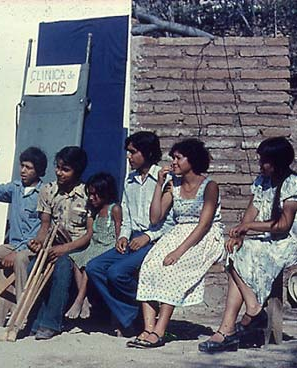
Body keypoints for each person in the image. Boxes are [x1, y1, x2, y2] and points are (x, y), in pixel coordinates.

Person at [199, 136, 297, 353]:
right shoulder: (262, 182)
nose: (261, 165)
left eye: (265, 161)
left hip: (287, 242)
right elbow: (250, 213)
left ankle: (237, 323)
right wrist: (239, 234)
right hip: (268, 240)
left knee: (245, 252)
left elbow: (283, 225)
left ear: (279, 162)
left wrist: (249, 227)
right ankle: (237, 322)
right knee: (235, 249)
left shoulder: (291, 183)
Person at [129, 138, 224, 348]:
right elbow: (155, 218)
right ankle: (147, 329)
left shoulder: (210, 186)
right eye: (173, 157)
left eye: (178, 158)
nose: (173, 162)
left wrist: (178, 252)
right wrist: (159, 185)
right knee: (150, 266)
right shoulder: (174, 185)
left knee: (174, 269)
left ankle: (160, 331)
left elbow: (204, 225)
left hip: (204, 235)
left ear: (193, 159)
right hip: (178, 232)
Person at [86, 131, 172, 335]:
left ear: (148, 153)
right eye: (128, 152)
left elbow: (172, 221)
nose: (128, 156)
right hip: (133, 239)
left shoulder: (164, 178)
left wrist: (148, 237)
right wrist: (123, 235)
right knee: (94, 267)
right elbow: (126, 214)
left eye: (133, 152)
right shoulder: (130, 179)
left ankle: (138, 312)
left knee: (117, 273)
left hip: (155, 241)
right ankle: (133, 312)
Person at [27, 146, 93, 340]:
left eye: (65, 169)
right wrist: (38, 243)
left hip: (78, 248)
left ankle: (50, 323)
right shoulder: (48, 190)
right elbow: (44, 225)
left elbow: (89, 234)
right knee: (33, 266)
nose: (59, 172)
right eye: (58, 167)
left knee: (62, 267)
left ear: (77, 171)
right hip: (52, 245)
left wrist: (66, 248)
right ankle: (34, 319)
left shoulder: (88, 193)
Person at [0, 144, 47, 327]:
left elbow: (44, 228)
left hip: (32, 247)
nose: (23, 171)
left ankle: (23, 313)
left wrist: (18, 252)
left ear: (38, 170)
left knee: (20, 259)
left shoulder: (45, 193)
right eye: (22, 166)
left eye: (28, 167)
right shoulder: (14, 188)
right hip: (13, 243)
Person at [65, 172, 122, 320]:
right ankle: (83, 299)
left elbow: (118, 233)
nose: (91, 198)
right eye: (90, 194)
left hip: (108, 246)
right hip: (95, 245)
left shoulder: (114, 209)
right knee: (77, 259)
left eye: (95, 195)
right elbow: (90, 233)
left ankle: (79, 300)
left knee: (89, 262)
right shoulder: (94, 212)